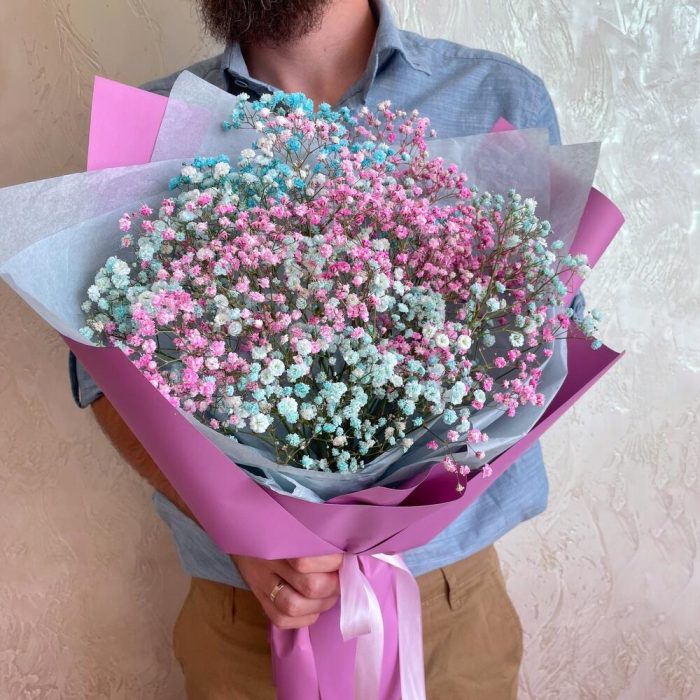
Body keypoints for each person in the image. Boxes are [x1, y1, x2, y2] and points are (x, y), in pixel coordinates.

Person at [71, 0, 585, 697]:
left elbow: (546, 345)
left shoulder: (497, 96)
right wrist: (246, 531)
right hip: (242, 617)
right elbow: (103, 381)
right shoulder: (151, 123)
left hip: (445, 610)